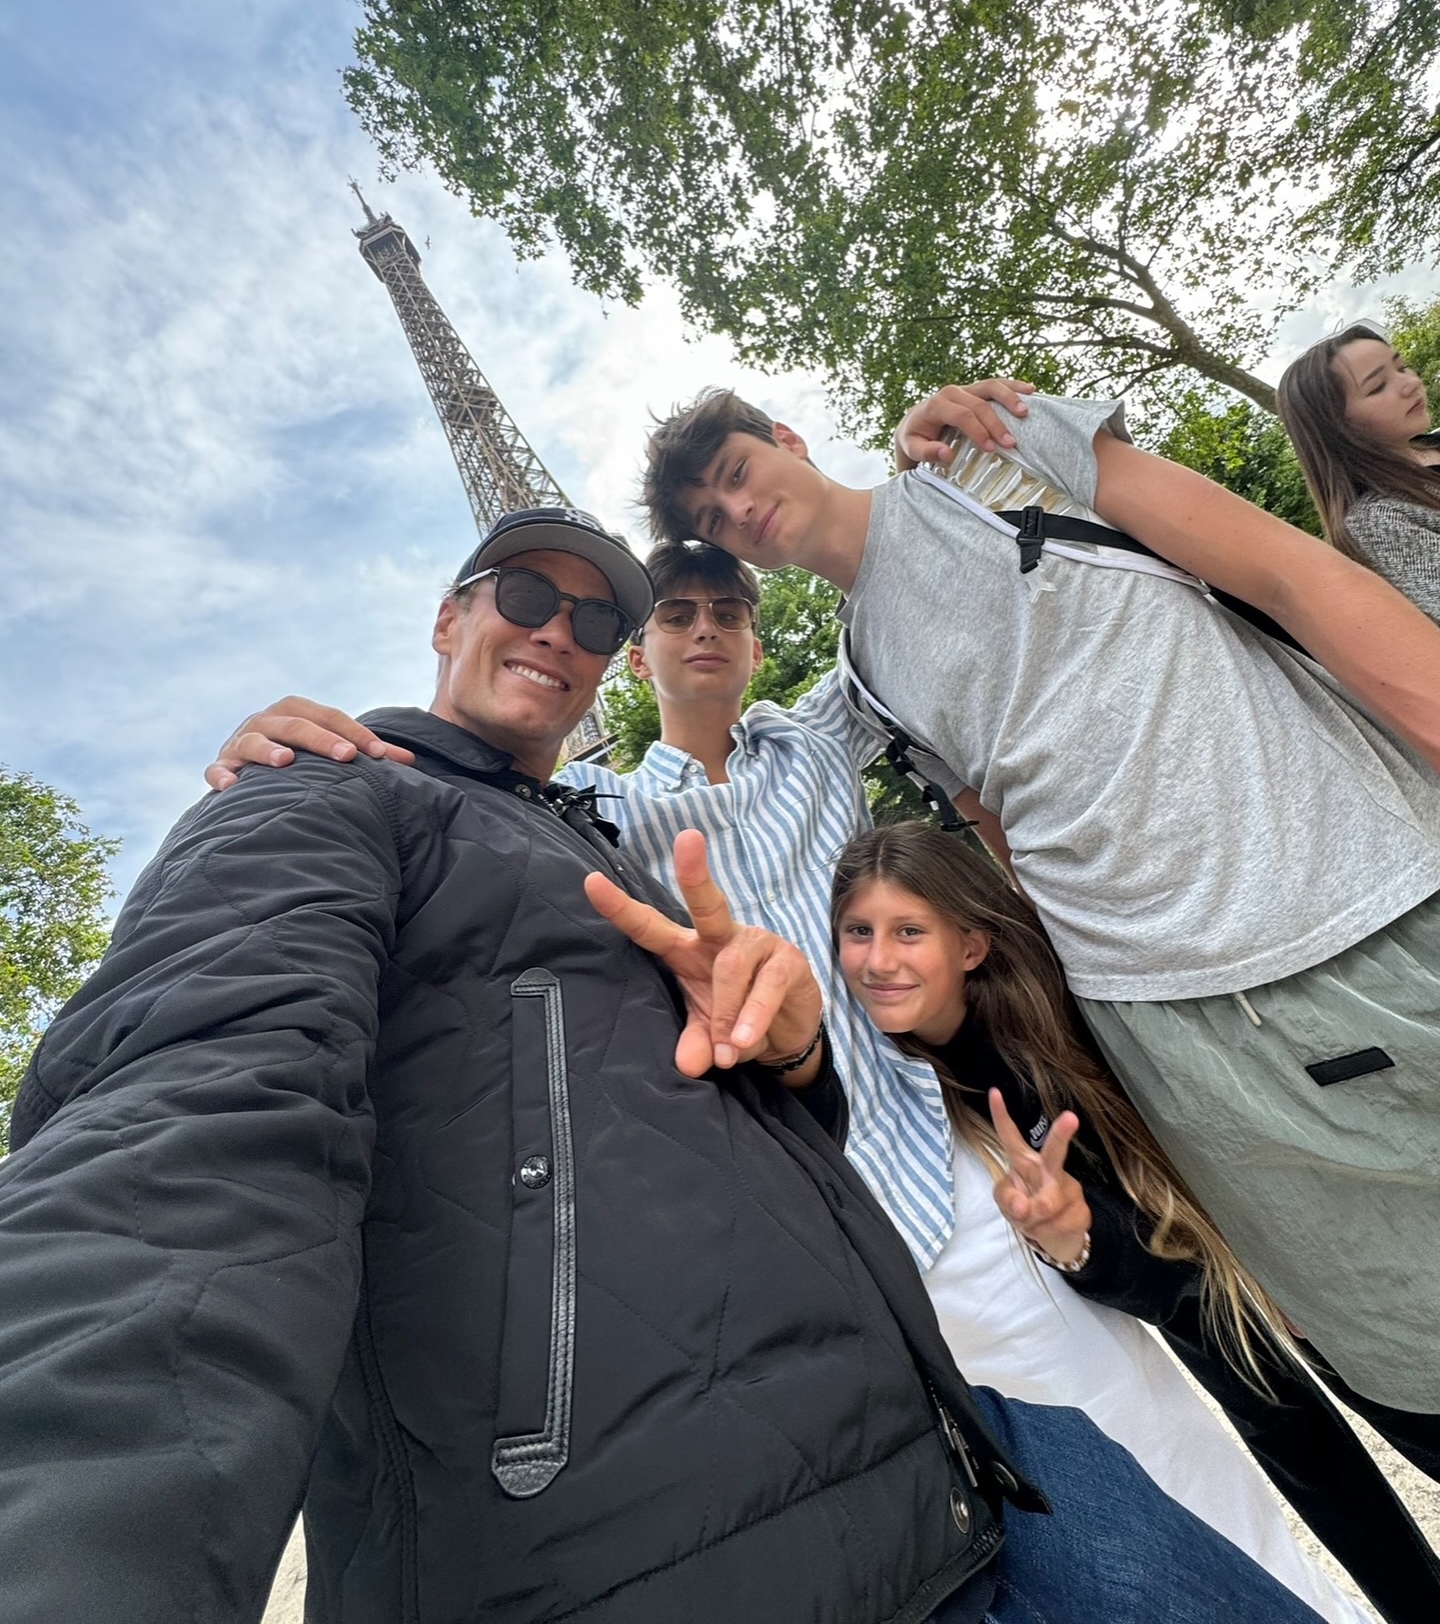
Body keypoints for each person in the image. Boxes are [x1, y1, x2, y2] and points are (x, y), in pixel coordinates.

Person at [0, 505, 1340, 1624]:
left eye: (591, 618)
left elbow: (664, 1130)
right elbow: (192, 1128)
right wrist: (75, 1547)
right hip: (682, 1554)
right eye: (526, 592)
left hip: (966, 1455)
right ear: (445, 618)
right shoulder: (330, 794)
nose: (559, 631)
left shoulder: (603, 847)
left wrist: (798, 1054)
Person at [641, 380, 1440, 1453]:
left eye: (735, 475)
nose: (733, 513)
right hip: (1173, 1030)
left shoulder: (990, 457)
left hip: (1365, 898)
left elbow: (1288, 570)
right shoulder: (863, 681)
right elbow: (1003, 841)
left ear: (787, 438)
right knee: (1395, 1358)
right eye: (707, 520)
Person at [830, 820, 1423, 1624]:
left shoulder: (1059, 1021)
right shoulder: (915, 1089)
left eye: (908, 931)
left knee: (1409, 1414)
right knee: (1344, 1504)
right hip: (1198, 1301)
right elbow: (1143, 1268)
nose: (877, 959)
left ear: (971, 944)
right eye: (857, 932)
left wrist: (1250, 1262)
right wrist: (1076, 1237)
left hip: (1276, 1250)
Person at [1277, 322, 1440, 619]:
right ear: (1338, 426)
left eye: (1402, 367)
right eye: (1377, 386)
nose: (1410, 383)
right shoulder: (1378, 520)